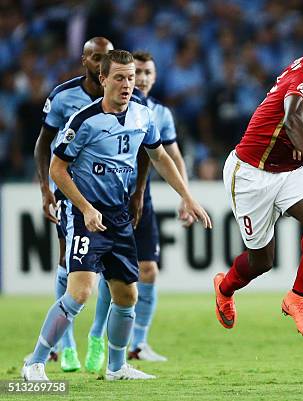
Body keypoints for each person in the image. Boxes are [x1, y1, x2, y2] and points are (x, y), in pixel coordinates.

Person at [22, 50, 212, 381]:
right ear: (103, 79)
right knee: (80, 291)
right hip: (84, 214)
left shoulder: (143, 115)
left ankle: (116, 367)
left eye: (131, 78)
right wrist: (84, 207)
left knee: (127, 295)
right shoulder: (84, 120)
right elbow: (57, 167)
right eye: (121, 78)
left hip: (118, 214)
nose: (128, 84)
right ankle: (35, 363)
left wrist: (187, 195)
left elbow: (160, 156)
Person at [213, 23, 303, 340]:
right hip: (251, 172)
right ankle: (224, 288)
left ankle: (296, 298)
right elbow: (292, 119)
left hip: (287, 170)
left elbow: (302, 122)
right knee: (261, 262)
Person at [85, 50, 193, 366]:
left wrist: (185, 197)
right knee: (111, 275)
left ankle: (139, 342)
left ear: (154, 77)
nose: (141, 79)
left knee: (148, 269)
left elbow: (171, 156)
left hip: (140, 201)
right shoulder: (107, 109)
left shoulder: (159, 113)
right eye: (137, 73)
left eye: (146, 73)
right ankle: (97, 335)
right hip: (110, 200)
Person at [32, 37, 117, 373]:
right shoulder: (63, 96)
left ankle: (97, 335)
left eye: (106, 58)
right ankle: (66, 344)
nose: (100, 64)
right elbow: (43, 145)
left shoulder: (121, 96)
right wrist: (45, 190)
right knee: (68, 263)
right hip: (70, 191)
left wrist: (137, 192)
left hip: (110, 194)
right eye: (95, 58)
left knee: (113, 269)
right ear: (84, 60)